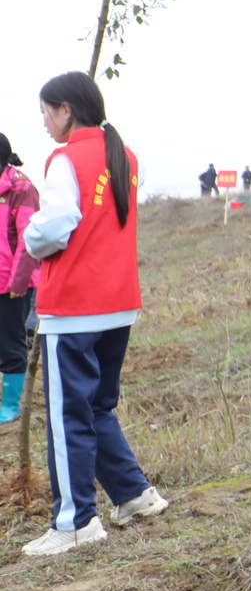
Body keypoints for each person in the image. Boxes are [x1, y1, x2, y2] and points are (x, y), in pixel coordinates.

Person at [20, 73, 169, 556]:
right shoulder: (124, 155)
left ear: (66, 110)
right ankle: (133, 495)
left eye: (46, 111)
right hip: (118, 303)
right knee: (96, 406)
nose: (43, 121)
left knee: (67, 416)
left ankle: (75, 522)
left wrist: (29, 237)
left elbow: (56, 226)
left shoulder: (65, 158)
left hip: (75, 306)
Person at [0, 135, 38, 426]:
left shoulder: (21, 188)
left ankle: (11, 406)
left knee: (11, 345)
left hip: (11, 285)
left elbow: (29, 238)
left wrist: (19, 281)